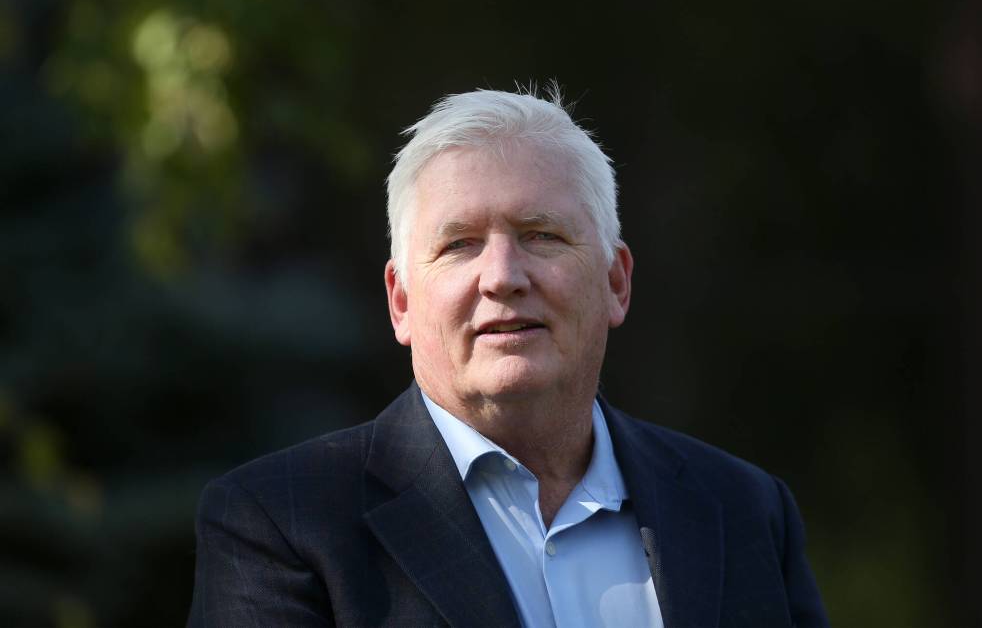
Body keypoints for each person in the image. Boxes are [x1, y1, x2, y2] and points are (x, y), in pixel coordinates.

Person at [187, 87, 830, 628]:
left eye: (541, 235)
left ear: (615, 282)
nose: (502, 276)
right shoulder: (280, 524)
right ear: (401, 301)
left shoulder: (745, 510)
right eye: (460, 245)